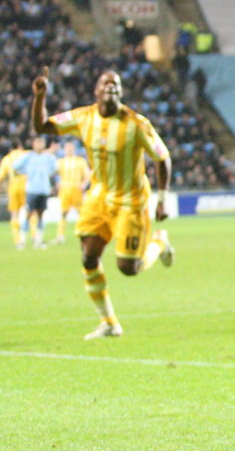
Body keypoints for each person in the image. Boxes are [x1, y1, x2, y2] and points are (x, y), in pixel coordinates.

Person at [31, 67, 176, 340]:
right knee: (88, 256)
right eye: (105, 83)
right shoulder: (83, 117)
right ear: (96, 91)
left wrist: (163, 198)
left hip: (131, 201)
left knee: (128, 269)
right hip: (99, 197)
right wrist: (40, 97)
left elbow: (162, 158)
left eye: (116, 85)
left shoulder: (136, 123)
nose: (111, 87)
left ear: (121, 93)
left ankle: (159, 242)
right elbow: (42, 126)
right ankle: (109, 323)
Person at [12, 136, 57, 249]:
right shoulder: (28, 156)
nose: (40, 144)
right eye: (37, 142)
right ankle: (22, 240)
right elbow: (15, 166)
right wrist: (25, 172)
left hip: (44, 189)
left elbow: (55, 169)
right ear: (33, 144)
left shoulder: (48, 157)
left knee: (41, 215)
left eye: (41, 142)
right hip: (32, 189)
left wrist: (47, 175)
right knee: (29, 214)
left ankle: (39, 240)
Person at [54, 141, 92, 245]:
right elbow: (55, 174)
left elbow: (88, 175)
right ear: (64, 149)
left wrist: (84, 184)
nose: (69, 149)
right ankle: (60, 236)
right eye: (67, 147)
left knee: (81, 213)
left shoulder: (80, 161)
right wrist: (57, 182)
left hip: (76, 190)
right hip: (65, 190)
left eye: (70, 147)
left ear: (74, 148)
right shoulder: (60, 161)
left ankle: (83, 233)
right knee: (63, 212)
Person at [1, 142, 28, 249]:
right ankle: (34, 237)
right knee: (30, 212)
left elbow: (1, 177)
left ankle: (17, 240)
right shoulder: (25, 154)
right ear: (20, 146)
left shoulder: (6, 159)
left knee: (14, 214)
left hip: (13, 187)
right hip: (26, 185)